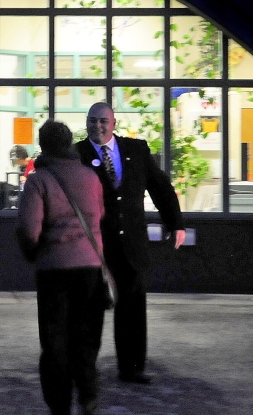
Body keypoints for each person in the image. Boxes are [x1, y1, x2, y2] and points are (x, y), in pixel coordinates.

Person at [73, 102, 185, 384]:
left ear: (114, 123)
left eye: (102, 121)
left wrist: (175, 223)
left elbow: (160, 186)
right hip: (94, 245)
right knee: (89, 307)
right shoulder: (76, 155)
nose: (97, 126)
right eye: (91, 120)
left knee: (132, 306)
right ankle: (84, 368)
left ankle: (132, 367)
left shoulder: (136, 150)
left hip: (132, 244)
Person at [16, 120, 107, 415]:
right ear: (69, 144)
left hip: (54, 269)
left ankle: (59, 403)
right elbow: (99, 216)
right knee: (86, 335)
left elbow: (29, 229)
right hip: (90, 268)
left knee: (55, 339)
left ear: (43, 146)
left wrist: (33, 252)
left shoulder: (38, 180)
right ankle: (88, 394)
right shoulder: (91, 177)